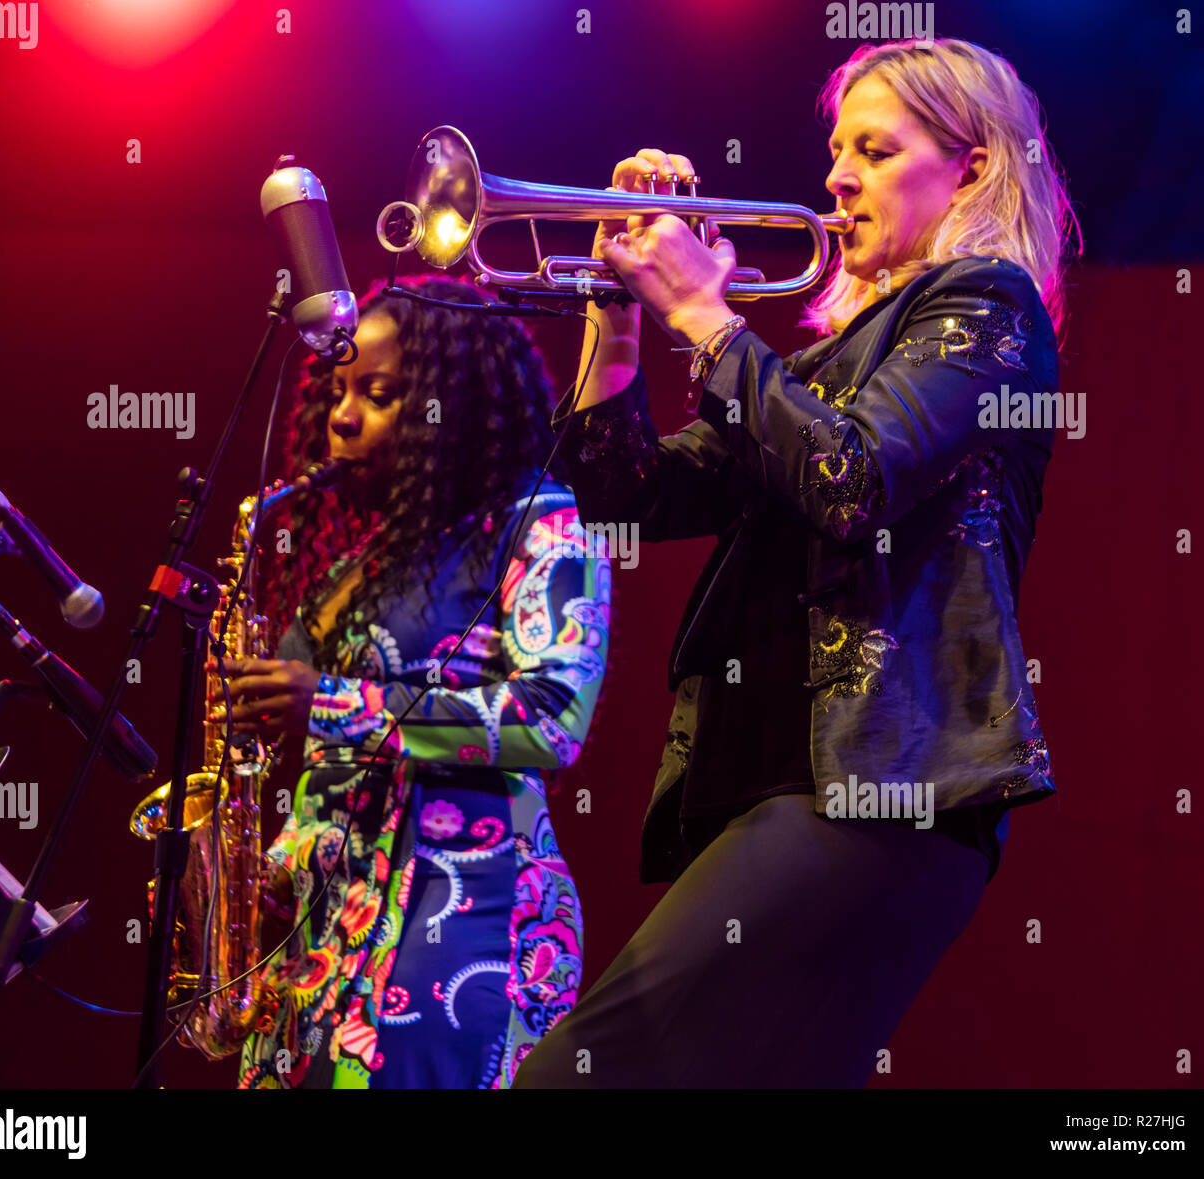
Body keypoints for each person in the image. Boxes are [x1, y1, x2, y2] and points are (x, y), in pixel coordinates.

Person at [516, 38, 1079, 1088]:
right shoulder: (816, 367)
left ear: (969, 168)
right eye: (835, 150)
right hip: (780, 785)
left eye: (874, 148)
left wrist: (702, 312)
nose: (835, 177)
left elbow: (851, 482)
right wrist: (620, 307)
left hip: (883, 793)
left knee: (576, 1076)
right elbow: (619, 493)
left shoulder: (986, 310)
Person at [220, 275, 611, 1089]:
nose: (343, 415)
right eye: (338, 389)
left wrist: (324, 702)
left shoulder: (540, 523)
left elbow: (553, 718)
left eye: (381, 393)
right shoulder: (351, 576)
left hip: (463, 928)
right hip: (322, 950)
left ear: (453, 411)